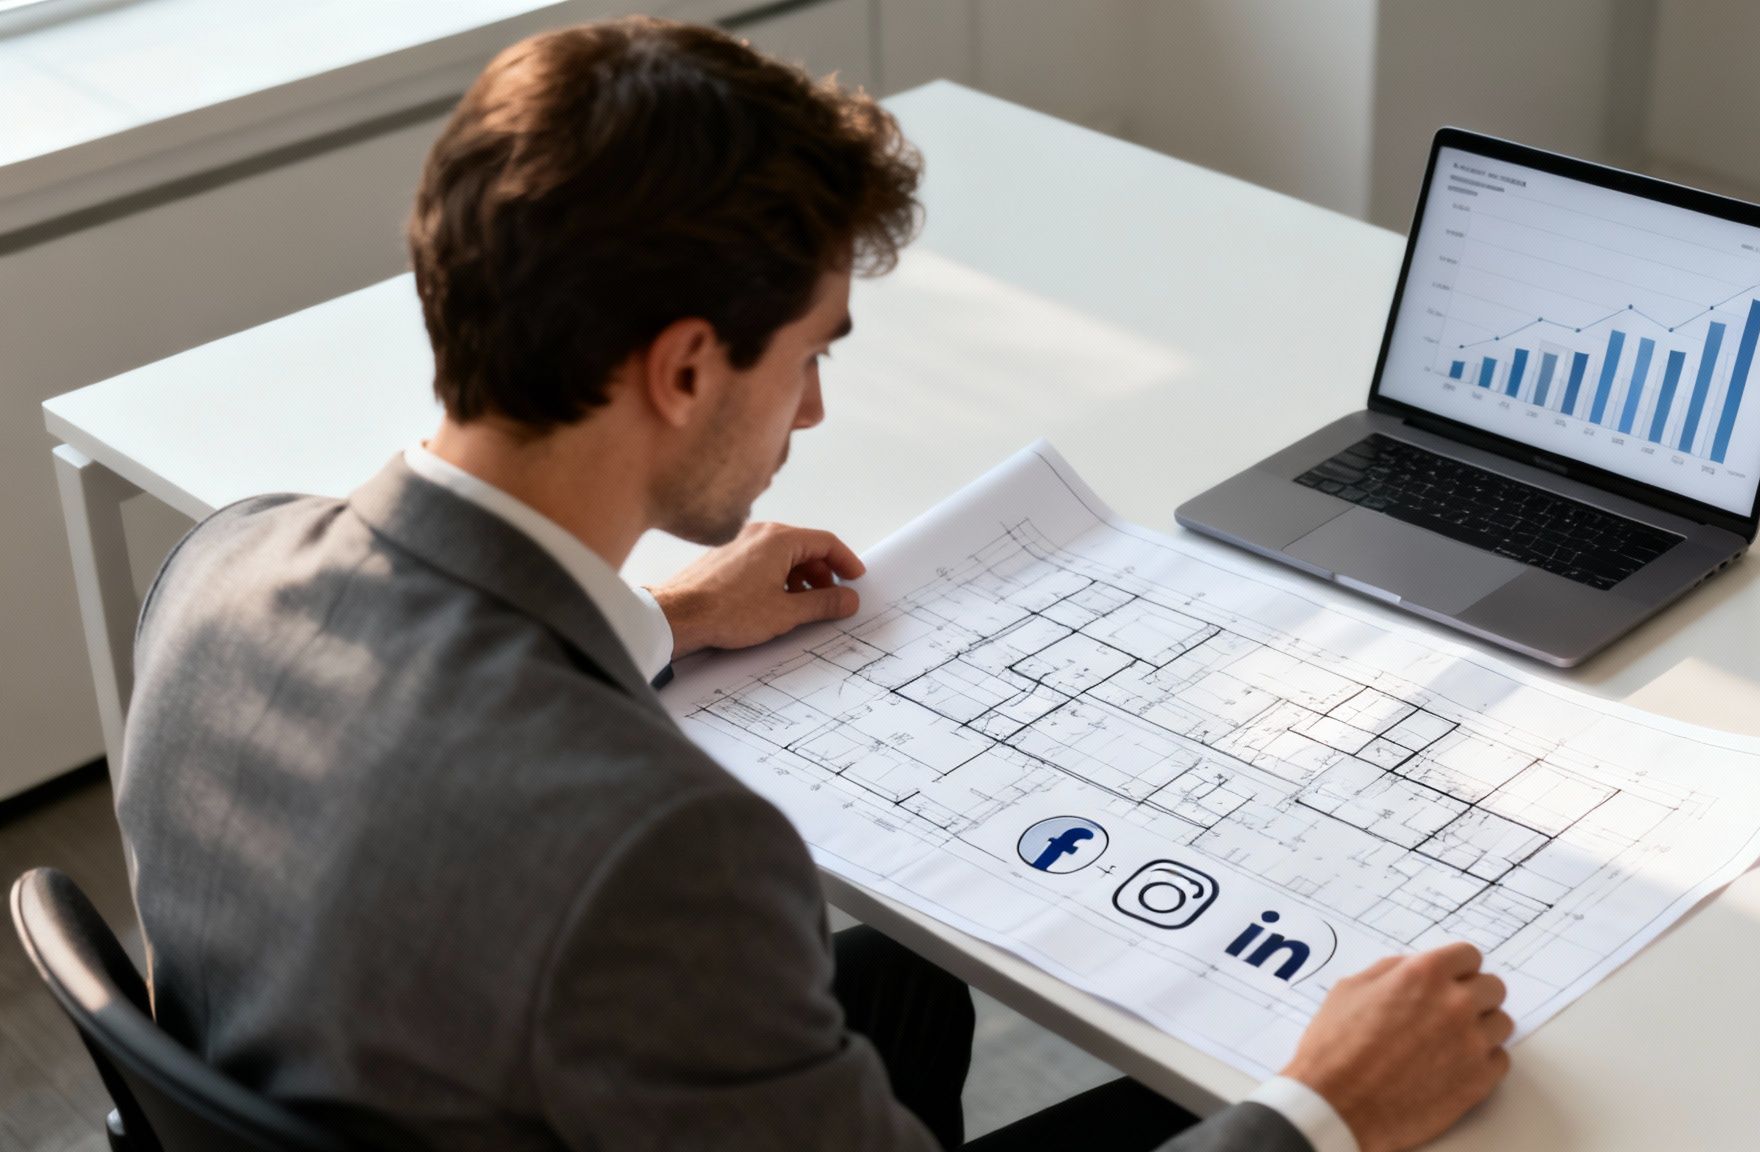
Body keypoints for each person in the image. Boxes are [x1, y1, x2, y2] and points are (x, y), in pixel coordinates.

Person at [116, 18, 1510, 1152]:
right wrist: (1327, 1111)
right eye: (809, 354)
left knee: (907, 989)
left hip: (406, 1072)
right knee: (1249, 1089)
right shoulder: (662, 858)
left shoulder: (220, 567)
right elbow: (571, 847)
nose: (817, 412)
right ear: (683, 369)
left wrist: (669, 615)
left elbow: (428, 726)